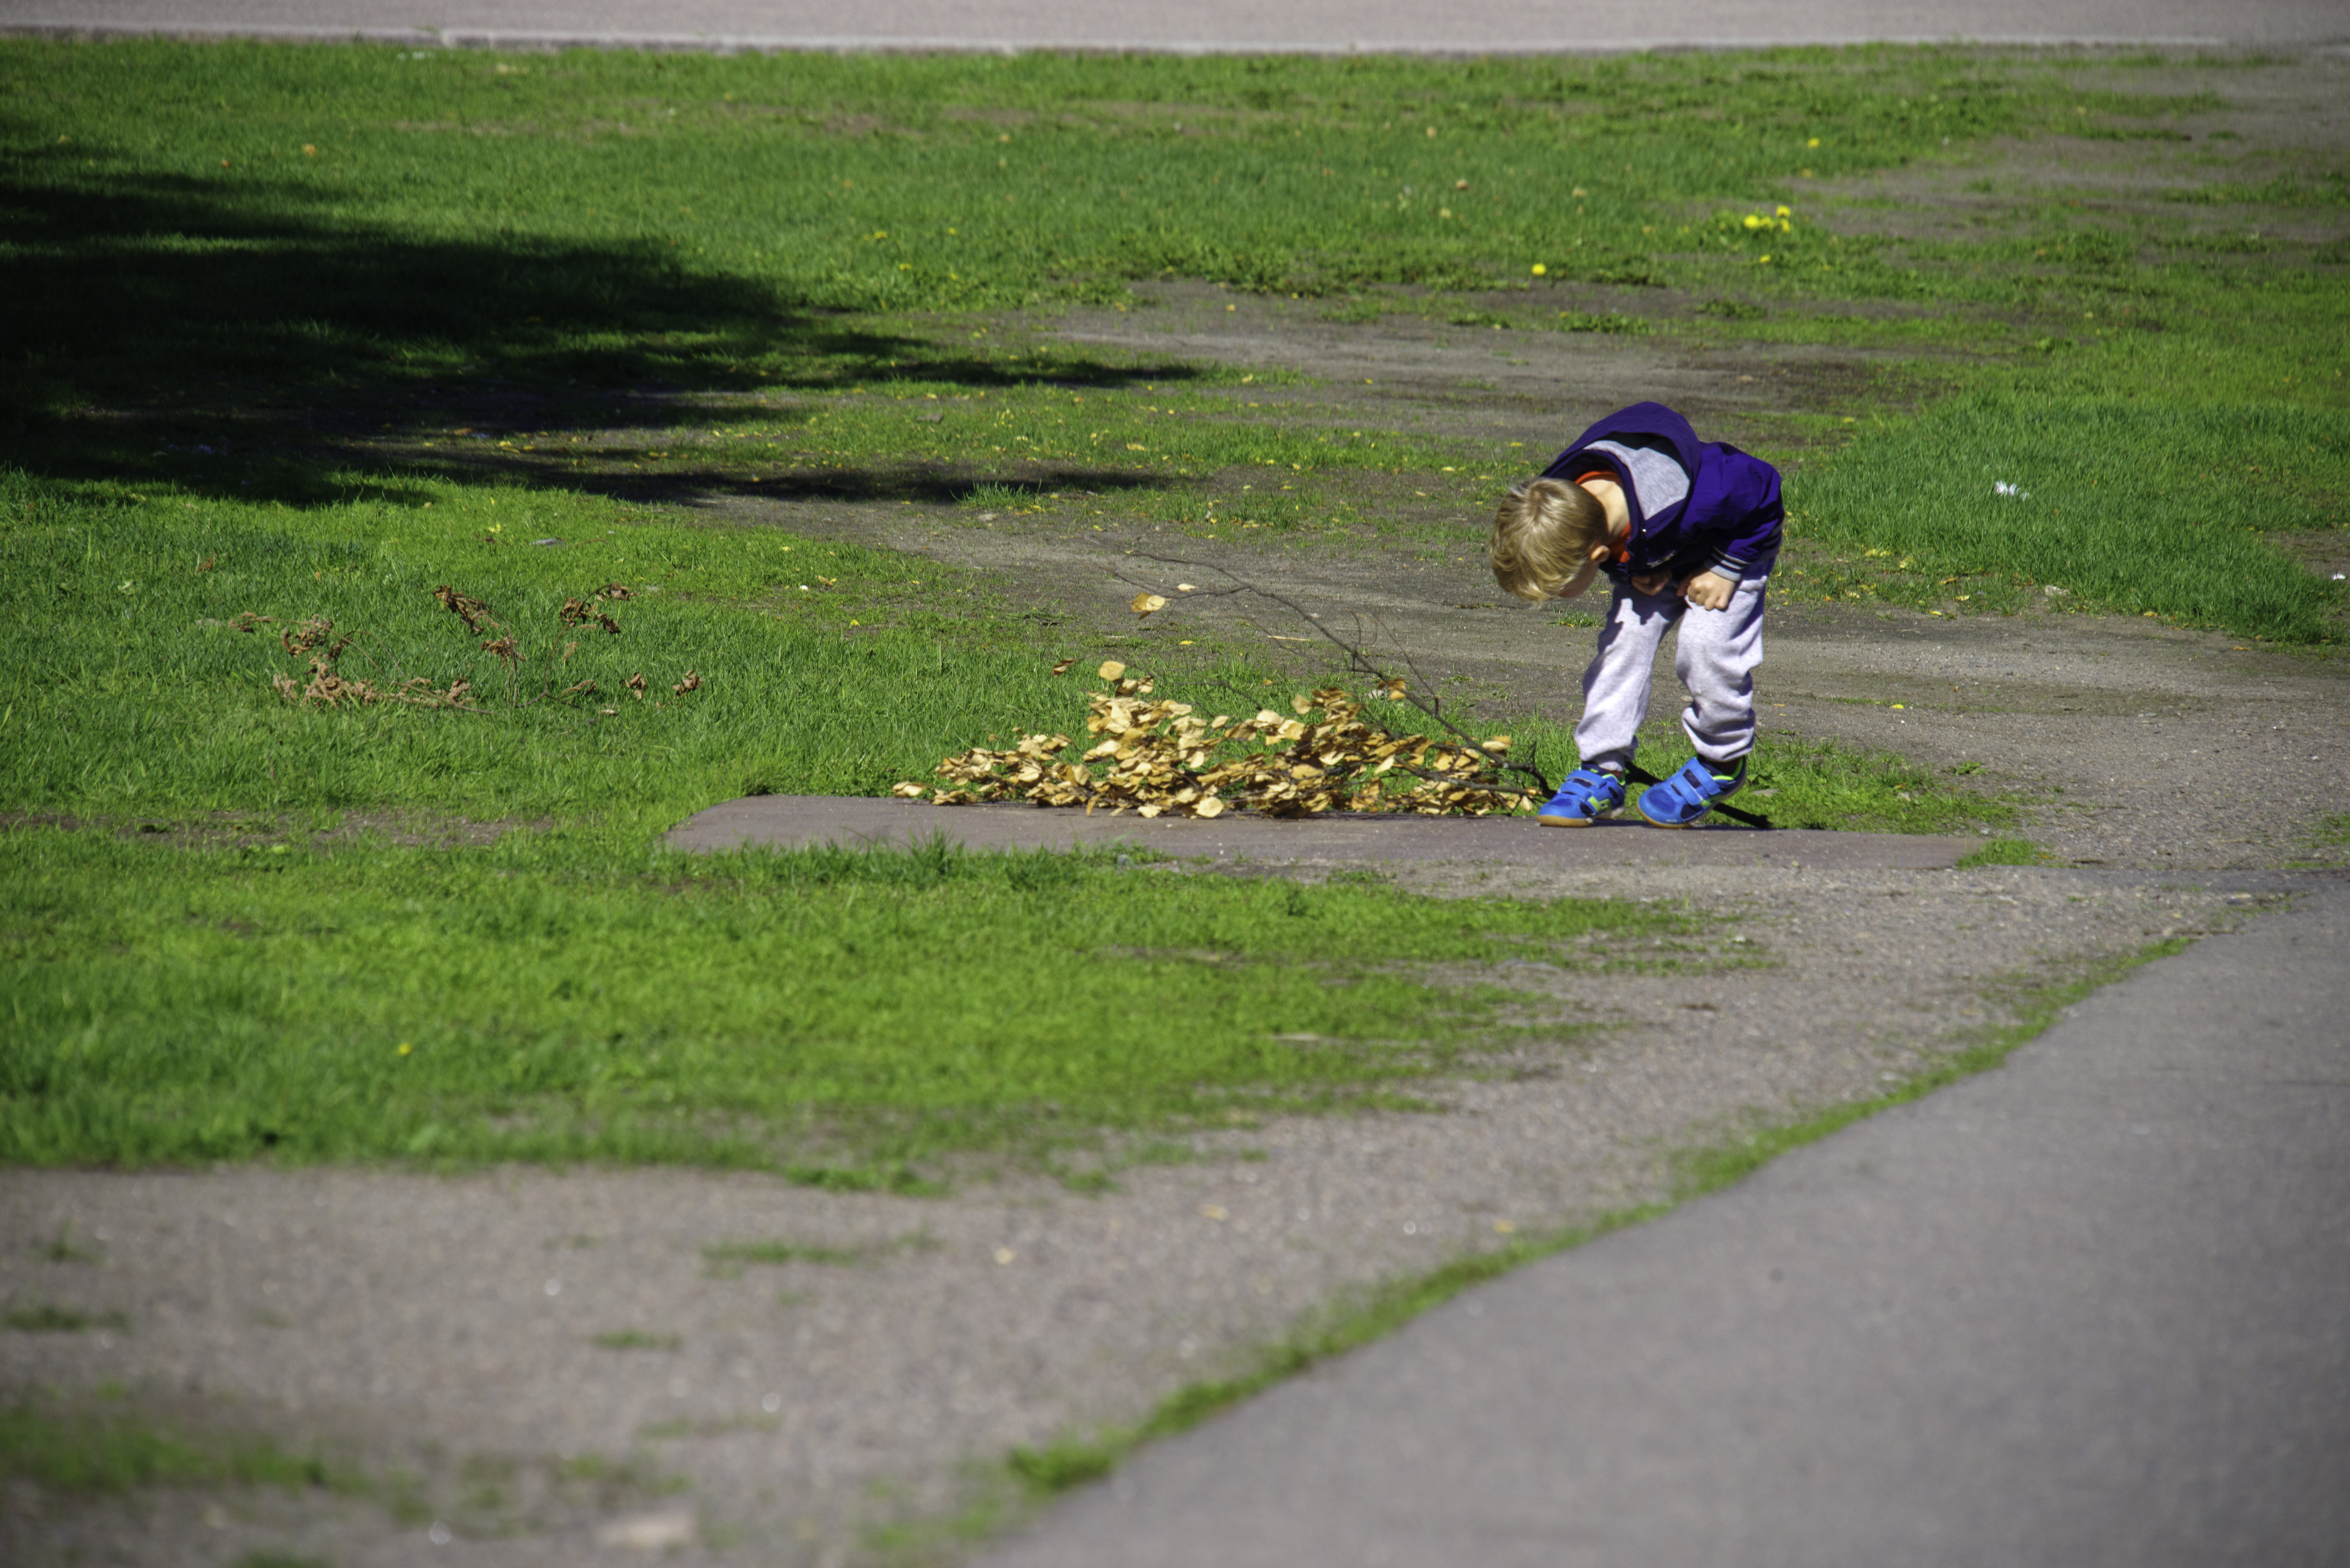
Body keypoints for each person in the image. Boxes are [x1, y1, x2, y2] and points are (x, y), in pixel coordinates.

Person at [1489, 401, 1782, 828]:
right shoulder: (1564, 500)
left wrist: (1723, 570)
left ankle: (1722, 761)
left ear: (1597, 554)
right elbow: (1610, 543)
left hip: (1732, 551)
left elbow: (1764, 492)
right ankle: (1602, 771)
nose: (1557, 600)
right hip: (1654, 550)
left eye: (1559, 591)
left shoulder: (1702, 493)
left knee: (1706, 650)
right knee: (1621, 647)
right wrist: (1630, 566)